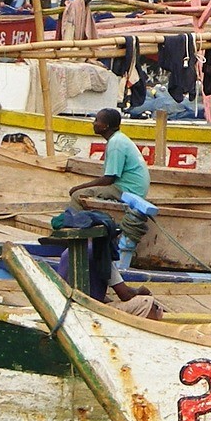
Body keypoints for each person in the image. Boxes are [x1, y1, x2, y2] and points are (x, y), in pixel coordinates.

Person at [71, 107, 152, 293]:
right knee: (86, 193)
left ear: (105, 125)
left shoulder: (116, 143)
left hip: (126, 190)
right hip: (128, 187)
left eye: (97, 120)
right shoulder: (118, 140)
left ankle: (75, 236)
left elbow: (109, 179)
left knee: (77, 196)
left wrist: (79, 187)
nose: (94, 124)